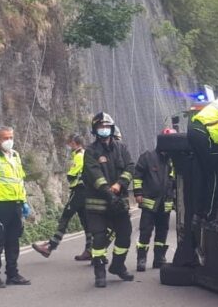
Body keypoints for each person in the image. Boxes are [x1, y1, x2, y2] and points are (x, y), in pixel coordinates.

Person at [81, 112, 135, 288]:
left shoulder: (122, 148)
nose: (104, 130)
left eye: (106, 127)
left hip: (118, 202)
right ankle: (99, 271)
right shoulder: (90, 151)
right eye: (100, 127)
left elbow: (129, 167)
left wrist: (119, 185)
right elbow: (94, 175)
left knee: (125, 235)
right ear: (95, 130)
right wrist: (108, 192)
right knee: (99, 238)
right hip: (98, 205)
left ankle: (118, 265)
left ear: (111, 129)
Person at [0, 126, 32, 287]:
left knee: (13, 242)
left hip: (15, 205)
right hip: (0, 206)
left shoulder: (15, 156)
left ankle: (12, 274)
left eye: (11, 137)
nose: (9, 140)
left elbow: (19, 181)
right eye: (5, 138)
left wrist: (23, 201)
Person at [31, 133, 93, 261]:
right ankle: (89, 249)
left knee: (65, 217)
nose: (69, 146)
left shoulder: (80, 155)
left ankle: (50, 246)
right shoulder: (83, 154)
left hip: (79, 191)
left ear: (74, 144)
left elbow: (75, 170)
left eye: (70, 143)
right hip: (85, 191)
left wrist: (70, 174)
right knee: (86, 221)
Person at [132, 130, 176, 272]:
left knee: (162, 232)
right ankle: (141, 259)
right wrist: (138, 192)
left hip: (166, 203)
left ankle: (159, 258)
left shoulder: (174, 160)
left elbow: (176, 181)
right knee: (145, 231)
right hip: (149, 202)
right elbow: (137, 176)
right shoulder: (148, 157)